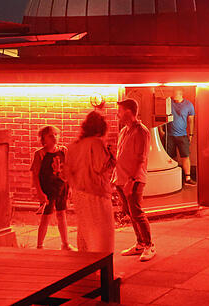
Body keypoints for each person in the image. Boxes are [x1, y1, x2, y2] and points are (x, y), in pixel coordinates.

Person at [64, 111, 116, 252]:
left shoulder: (74, 145)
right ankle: (103, 270)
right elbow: (100, 167)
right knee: (103, 233)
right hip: (96, 193)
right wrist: (111, 155)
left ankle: (85, 266)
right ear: (101, 128)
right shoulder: (96, 143)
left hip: (79, 192)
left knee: (85, 230)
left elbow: (67, 171)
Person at [113, 98, 156, 262]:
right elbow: (120, 155)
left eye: (120, 110)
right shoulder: (124, 131)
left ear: (129, 112)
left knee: (137, 213)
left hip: (134, 180)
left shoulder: (142, 132)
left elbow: (141, 158)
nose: (118, 114)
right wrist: (115, 178)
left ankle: (149, 245)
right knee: (130, 213)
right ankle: (140, 243)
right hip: (121, 179)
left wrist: (131, 180)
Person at [31, 126, 75, 251]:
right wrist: (39, 192)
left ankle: (65, 243)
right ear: (44, 138)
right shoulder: (40, 154)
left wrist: (70, 186)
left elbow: (68, 170)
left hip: (61, 187)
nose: (54, 137)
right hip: (47, 189)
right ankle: (39, 245)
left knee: (62, 214)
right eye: (51, 135)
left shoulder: (63, 151)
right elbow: (35, 174)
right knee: (46, 216)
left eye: (56, 134)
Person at [167, 89, 196, 185]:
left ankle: (188, 178)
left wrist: (191, 134)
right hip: (170, 135)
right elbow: (161, 115)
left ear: (181, 94)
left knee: (185, 156)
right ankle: (173, 178)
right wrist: (161, 131)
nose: (173, 95)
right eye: (173, 93)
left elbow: (191, 120)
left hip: (182, 135)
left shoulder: (188, 105)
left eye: (175, 93)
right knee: (171, 157)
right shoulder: (168, 101)